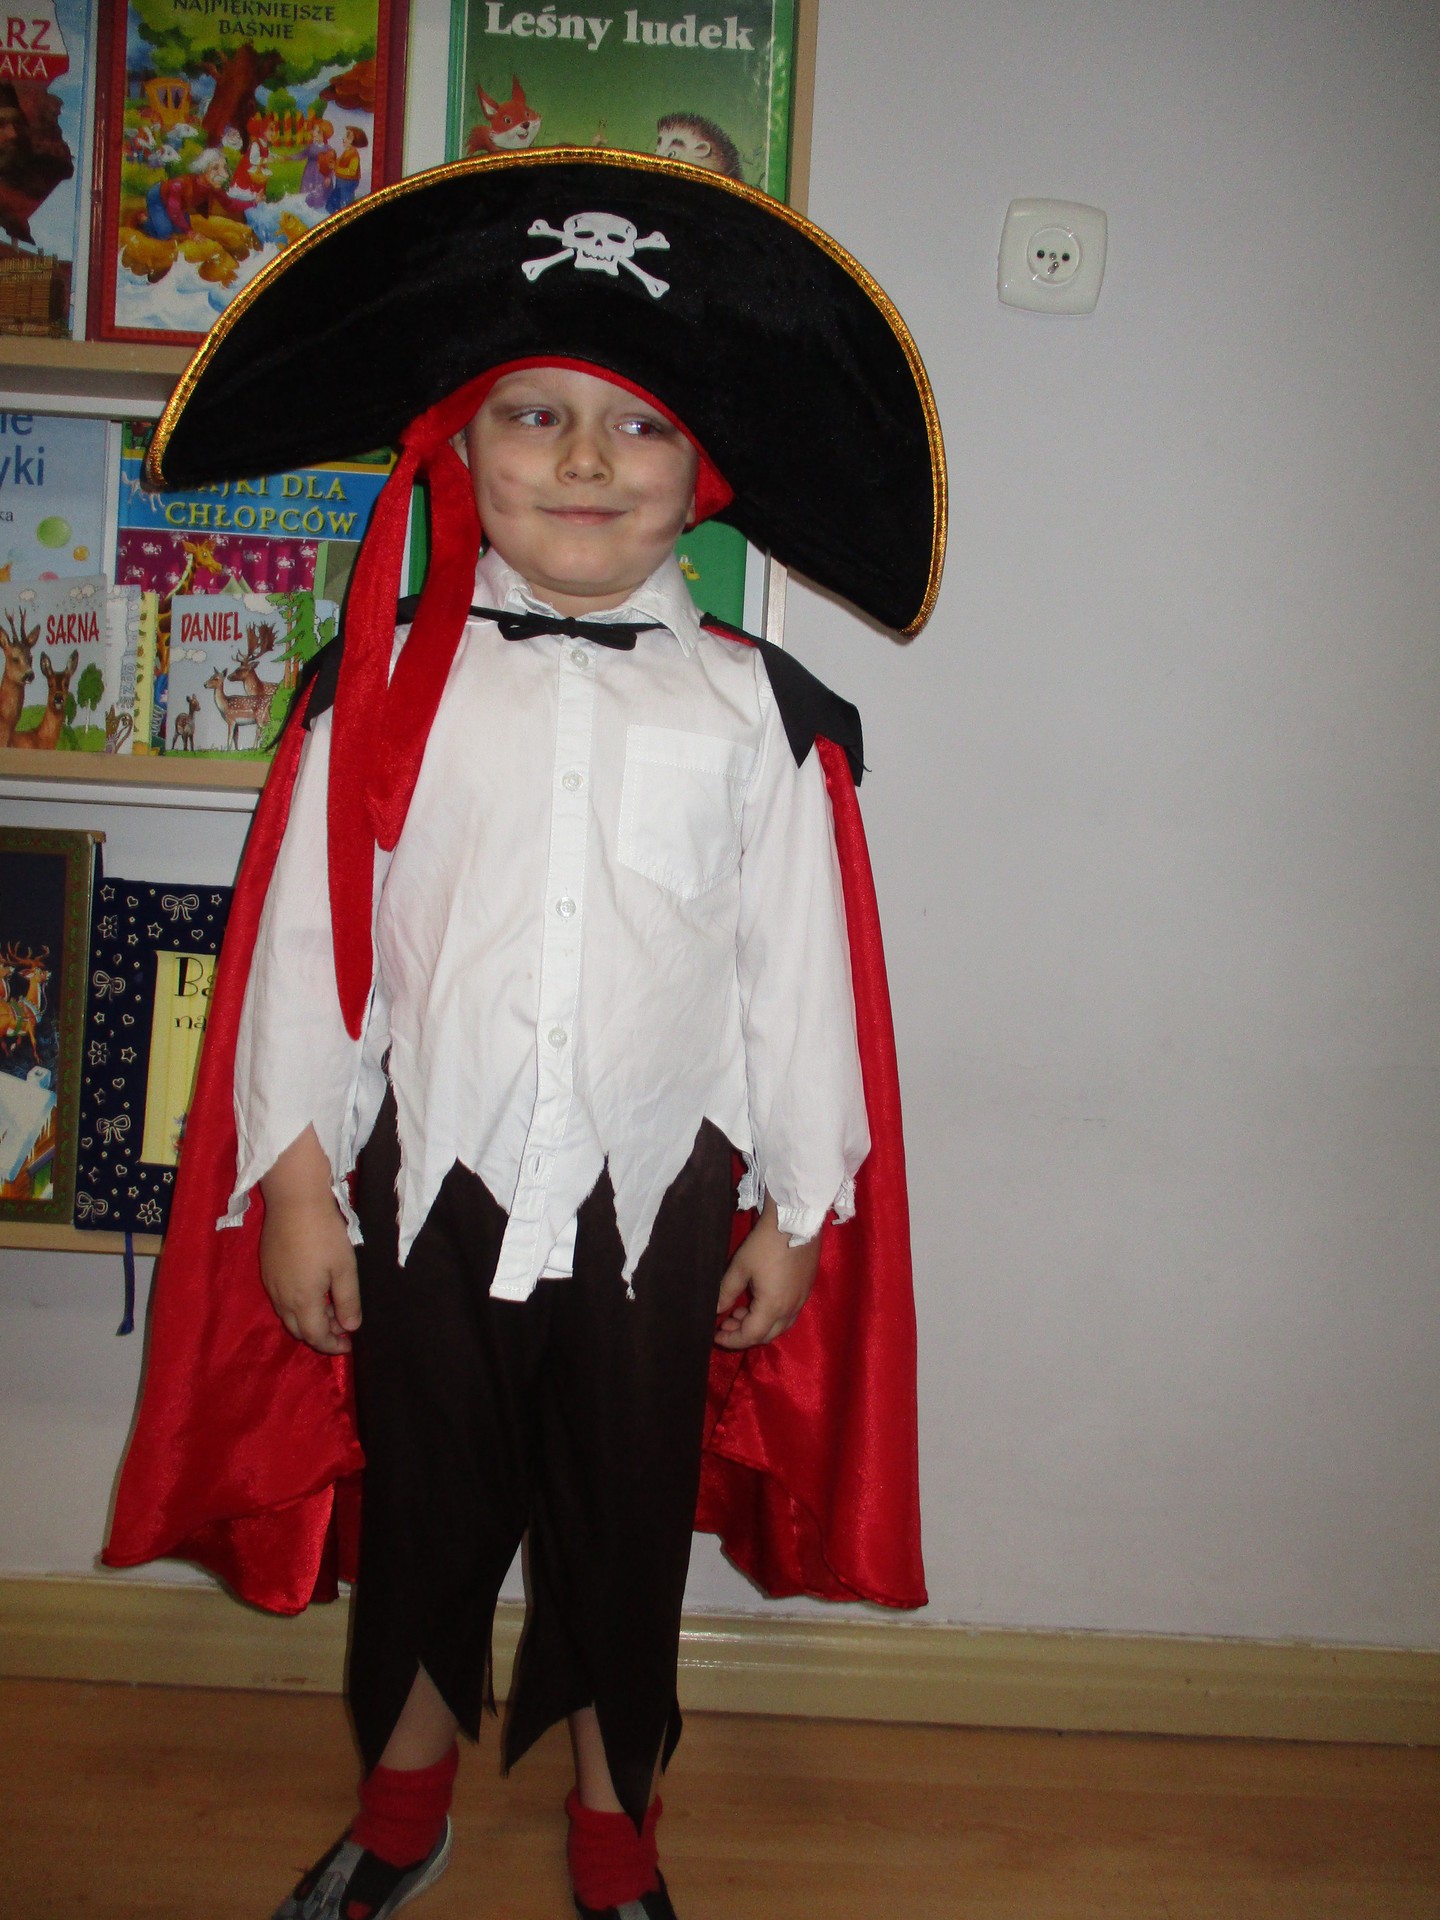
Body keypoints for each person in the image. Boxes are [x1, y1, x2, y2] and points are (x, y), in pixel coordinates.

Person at [104, 150, 943, 1920]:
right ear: (460, 447)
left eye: (636, 428)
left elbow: (798, 978)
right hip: (431, 1183)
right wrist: (299, 1181)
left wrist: (803, 1204)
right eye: (534, 416)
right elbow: (311, 954)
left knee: (623, 1532)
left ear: (703, 475)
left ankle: (616, 1832)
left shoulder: (761, 716)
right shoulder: (377, 689)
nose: (583, 462)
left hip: (660, 1199)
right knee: (424, 1515)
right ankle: (401, 1807)